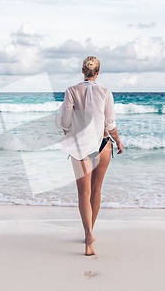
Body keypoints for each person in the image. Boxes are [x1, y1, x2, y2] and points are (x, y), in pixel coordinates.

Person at [55, 56, 124, 256]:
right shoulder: (105, 92)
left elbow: (66, 119)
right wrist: (118, 141)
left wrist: (67, 130)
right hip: (104, 145)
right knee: (96, 189)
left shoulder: (71, 90)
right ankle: (90, 232)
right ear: (98, 72)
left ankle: (88, 235)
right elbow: (110, 123)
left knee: (83, 193)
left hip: (81, 147)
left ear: (82, 71)